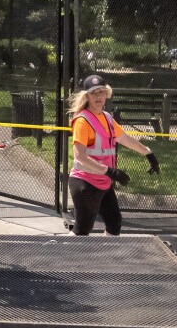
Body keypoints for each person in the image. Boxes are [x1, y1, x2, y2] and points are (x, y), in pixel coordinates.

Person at [67, 74, 160, 236]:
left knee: (114, 223)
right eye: (93, 92)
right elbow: (80, 156)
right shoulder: (82, 121)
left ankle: (105, 258)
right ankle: (61, 257)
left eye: (101, 92)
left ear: (107, 94)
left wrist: (148, 153)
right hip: (85, 183)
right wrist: (110, 171)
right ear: (86, 96)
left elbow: (124, 138)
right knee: (82, 230)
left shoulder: (108, 118)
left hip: (103, 181)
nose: (98, 96)